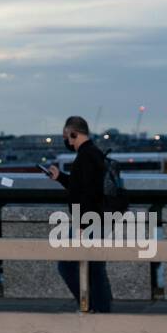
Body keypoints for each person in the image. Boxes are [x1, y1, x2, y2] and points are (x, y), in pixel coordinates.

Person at [48, 115, 113, 313]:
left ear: (73, 133)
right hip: (96, 219)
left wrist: (82, 226)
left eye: (66, 136)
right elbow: (81, 187)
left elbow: (87, 194)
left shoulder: (85, 157)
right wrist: (60, 177)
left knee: (67, 266)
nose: (66, 141)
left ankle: (92, 306)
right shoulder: (93, 153)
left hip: (87, 221)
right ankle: (100, 309)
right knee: (94, 267)